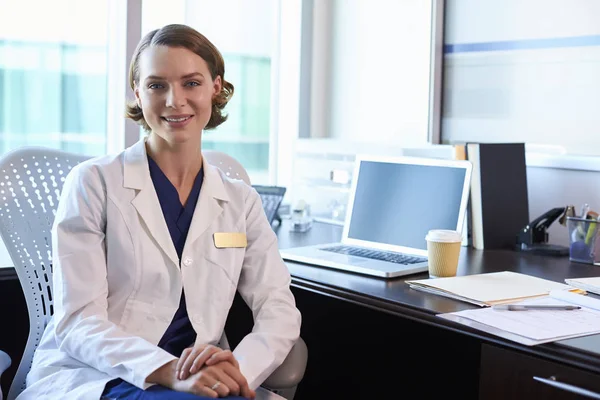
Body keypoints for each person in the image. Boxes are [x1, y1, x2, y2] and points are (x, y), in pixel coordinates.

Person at [17, 24, 301, 399]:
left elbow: (278, 308)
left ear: (216, 87)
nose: (174, 100)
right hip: (104, 374)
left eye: (191, 83)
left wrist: (238, 368)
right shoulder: (93, 183)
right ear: (138, 92)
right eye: (156, 85)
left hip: (201, 379)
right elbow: (78, 321)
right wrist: (167, 370)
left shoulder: (239, 200)